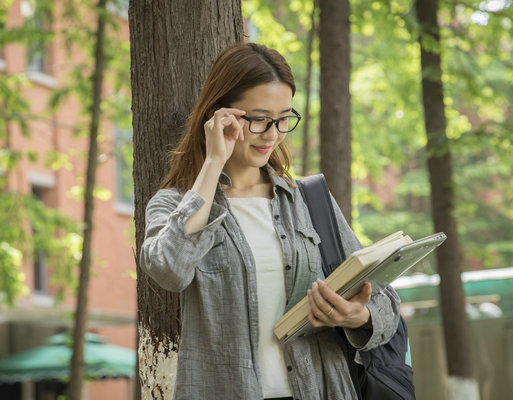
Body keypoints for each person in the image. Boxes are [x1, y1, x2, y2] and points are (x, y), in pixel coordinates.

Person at [140, 42, 401, 400]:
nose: (273, 134)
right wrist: (214, 162)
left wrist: (356, 315)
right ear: (221, 115)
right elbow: (168, 268)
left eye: (283, 119)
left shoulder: (307, 201)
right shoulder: (174, 204)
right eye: (260, 118)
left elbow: (386, 303)